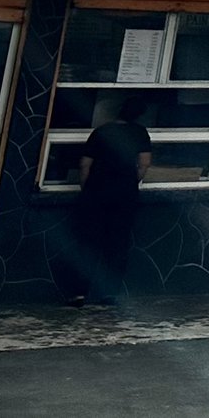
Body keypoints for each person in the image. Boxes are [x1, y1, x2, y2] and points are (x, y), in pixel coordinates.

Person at [68, 95, 154, 306]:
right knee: (117, 243)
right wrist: (131, 181)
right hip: (124, 195)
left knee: (88, 242)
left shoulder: (101, 132)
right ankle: (108, 292)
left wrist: (86, 188)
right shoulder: (140, 133)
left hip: (96, 192)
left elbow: (85, 164)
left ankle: (79, 292)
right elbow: (144, 164)